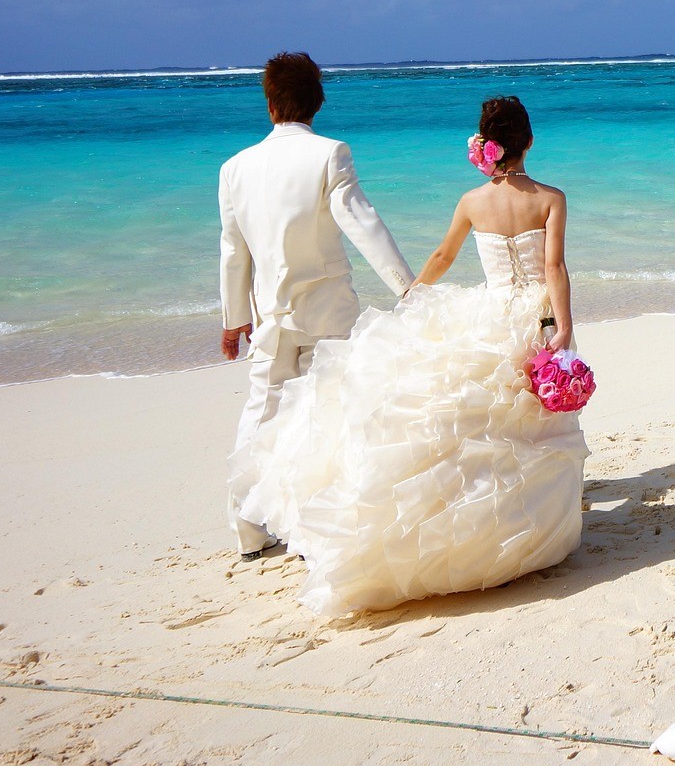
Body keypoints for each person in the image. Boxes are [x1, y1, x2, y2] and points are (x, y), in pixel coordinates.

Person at [238, 94, 589, 616]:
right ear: (529, 142)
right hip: (535, 314)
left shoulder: (473, 201)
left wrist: (414, 293)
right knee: (536, 418)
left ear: (486, 148)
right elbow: (554, 267)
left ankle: (488, 524)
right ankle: (536, 525)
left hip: (492, 313)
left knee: (491, 420)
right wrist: (563, 327)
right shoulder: (551, 198)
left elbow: (443, 255)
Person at [218, 52, 415, 560]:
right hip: (328, 313)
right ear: (318, 102)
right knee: (333, 411)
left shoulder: (233, 168)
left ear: (269, 103)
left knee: (259, 414)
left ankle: (248, 530)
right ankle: (322, 522)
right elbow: (361, 222)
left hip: (269, 316)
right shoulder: (330, 153)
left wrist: (233, 317)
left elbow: (232, 250)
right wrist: (407, 288)